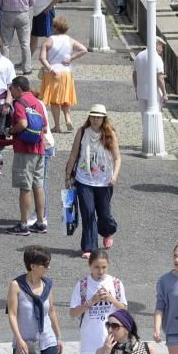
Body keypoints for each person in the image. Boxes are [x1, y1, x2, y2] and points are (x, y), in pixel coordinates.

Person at [65, 105, 121, 258]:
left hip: (104, 181)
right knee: (88, 213)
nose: (95, 120)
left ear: (104, 119)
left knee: (104, 214)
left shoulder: (110, 134)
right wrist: (68, 175)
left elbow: (117, 158)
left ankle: (108, 231)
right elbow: (73, 154)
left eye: (98, 117)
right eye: (93, 116)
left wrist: (114, 176)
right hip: (84, 179)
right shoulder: (82, 132)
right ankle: (90, 247)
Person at [6, 245, 63, 354]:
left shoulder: (47, 284)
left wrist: (59, 337)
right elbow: (12, 314)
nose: (48, 268)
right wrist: (19, 340)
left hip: (48, 342)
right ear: (32, 266)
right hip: (24, 342)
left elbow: (51, 311)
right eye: (44, 264)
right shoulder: (16, 286)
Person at [69, 250, 128, 354]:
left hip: (112, 338)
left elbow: (124, 310)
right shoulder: (82, 284)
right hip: (91, 337)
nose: (100, 271)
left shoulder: (116, 283)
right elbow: (73, 312)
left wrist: (111, 299)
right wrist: (92, 301)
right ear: (90, 266)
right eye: (97, 267)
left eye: (104, 267)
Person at [6, 76, 48, 236]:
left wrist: (11, 131)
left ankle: (23, 224)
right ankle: (40, 222)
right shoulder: (37, 102)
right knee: (38, 185)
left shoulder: (19, 103)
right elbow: (44, 127)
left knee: (25, 187)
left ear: (18, 88)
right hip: (39, 149)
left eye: (11, 89)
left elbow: (23, 123)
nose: (10, 92)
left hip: (25, 150)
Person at [38, 16, 88, 131]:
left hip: (53, 73)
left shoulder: (49, 40)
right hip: (66, 73)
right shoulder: (70, 40)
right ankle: (68, 118)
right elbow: (84, 50)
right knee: (65, 98)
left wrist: (50, 69)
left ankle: (57, 126)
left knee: (54, 101)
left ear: (55, 28)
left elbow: (42, 58)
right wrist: (71, 58)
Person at [0, 0, 36, 75]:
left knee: (5, 44)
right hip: (23, 14)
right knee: (25, 43)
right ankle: (26, 68)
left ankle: (6, 69)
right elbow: (32, 2)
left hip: (7, 14)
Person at [132, 38, 168, 124]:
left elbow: (134, 75)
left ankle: (145, 136)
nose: (162, 50)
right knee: (154, 118)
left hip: (141, 92)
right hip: (153, 93)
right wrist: (164, 94)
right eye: (161, 46)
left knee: (144, 118)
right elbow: (159, 77)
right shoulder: (156, 57)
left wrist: (137, 89)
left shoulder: (139, 56)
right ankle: (152, 137)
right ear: (157, 45)